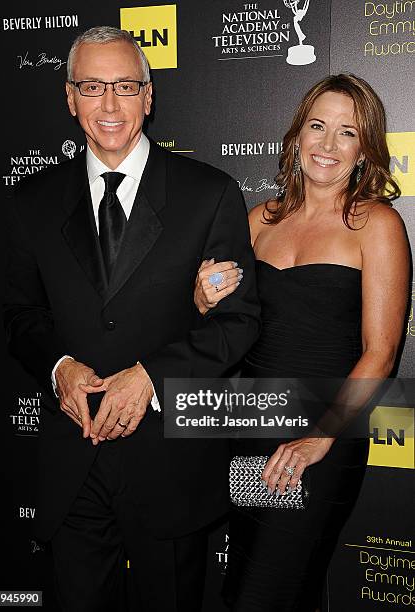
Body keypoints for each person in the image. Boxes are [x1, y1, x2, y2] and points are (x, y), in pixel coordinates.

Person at [3, 26, 261, 612]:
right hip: (74, 462)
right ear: (70, 98)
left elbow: (237, 323)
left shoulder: (209, 193)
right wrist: (59, 367)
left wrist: (152, 378)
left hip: (168, 467)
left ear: (149, 95)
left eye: (125, 86)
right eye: (92, 88)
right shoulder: (31, 201)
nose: (110, 104)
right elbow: (18, 314)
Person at [194, 73, 409, 611]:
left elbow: (381, 351)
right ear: (296, 137)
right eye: (318, 126)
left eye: (347, 133)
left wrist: (322, 436)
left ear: (365, 150)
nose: (328, 145)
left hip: (322, 437)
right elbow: (217, 324)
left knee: (267, 592)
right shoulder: (258, 221)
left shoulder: (376, 225)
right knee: (257, 584)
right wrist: (201, 299)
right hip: (250, 425)